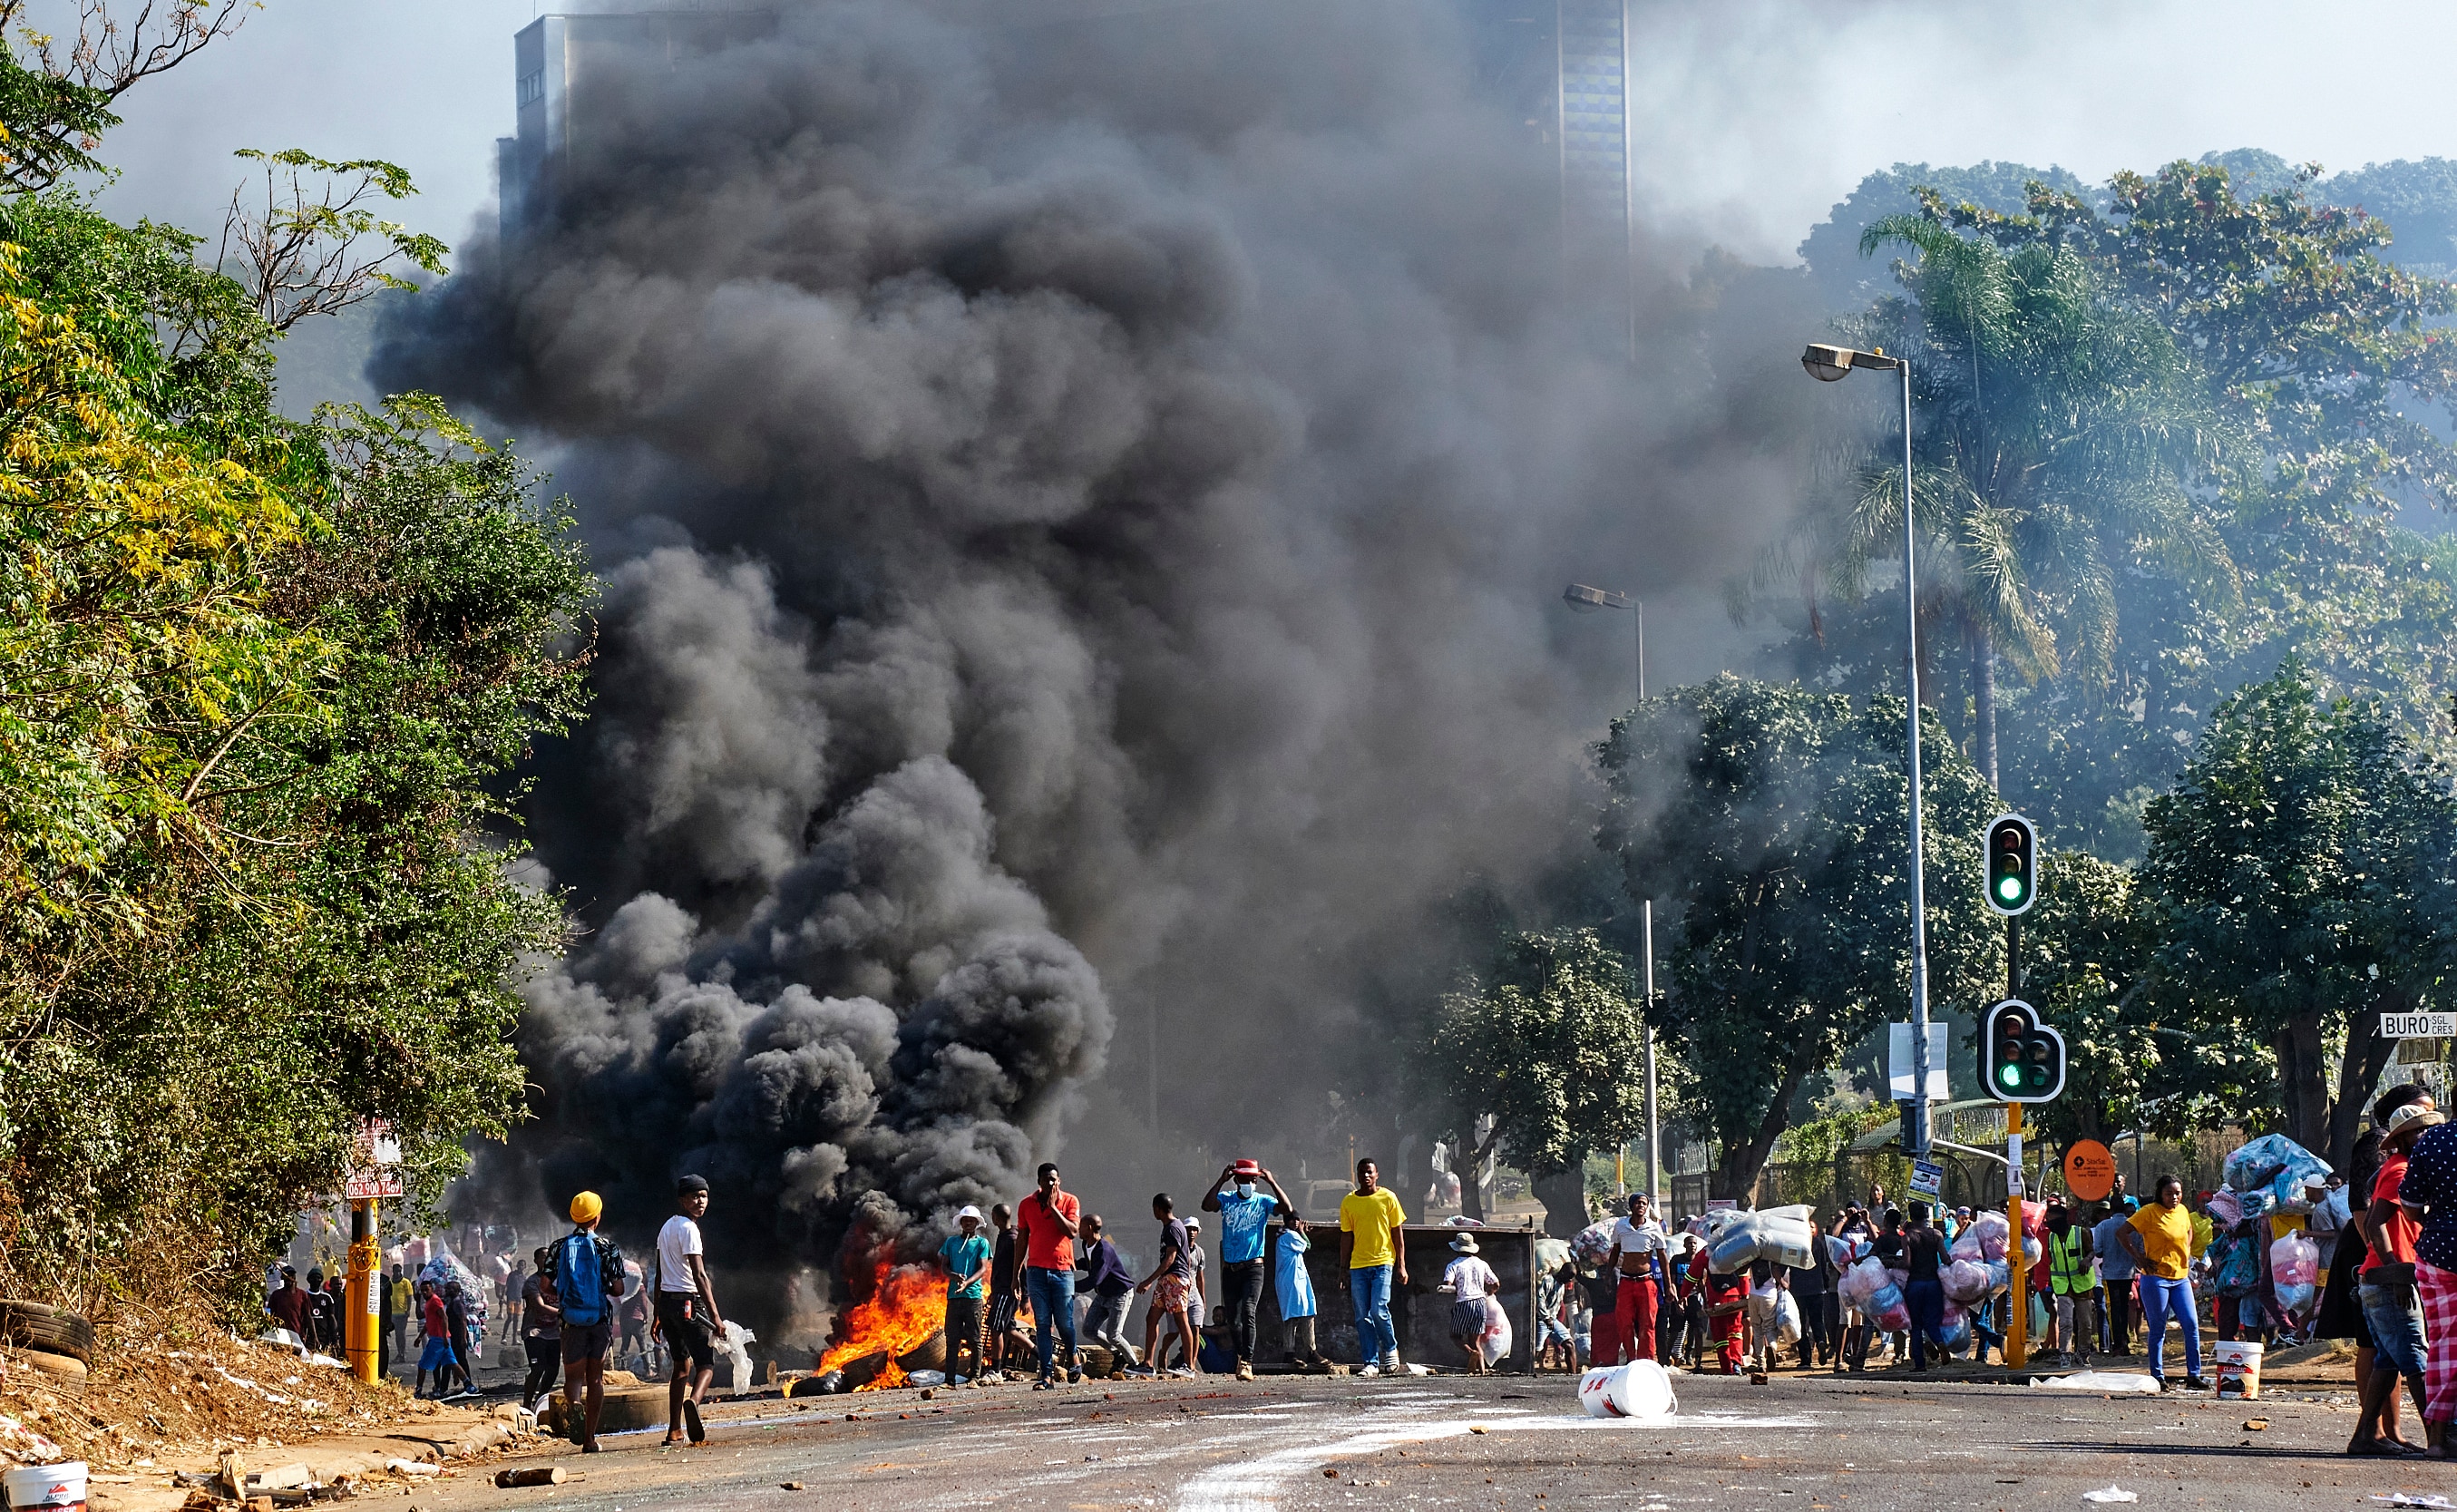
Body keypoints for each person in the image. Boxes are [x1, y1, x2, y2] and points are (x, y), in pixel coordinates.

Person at [2353, 1100, 2442, 1457]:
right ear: (2402, 1138)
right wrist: (2393, 1269)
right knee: (2416, 1362)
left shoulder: (2401, 1167)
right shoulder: (2401, 1170)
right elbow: (2375, 1223)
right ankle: (2440, 1437)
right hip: (2390, 1280)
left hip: (2383, 1278)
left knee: (2389, 1362)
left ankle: (2364, 1437)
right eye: (2419, 1131)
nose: (2425, 1136)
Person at [2399, 1096, 2457, 1457]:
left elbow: (2410, 1203)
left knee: (2444, 1346)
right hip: (2439, 1248)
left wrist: (2436, 1223)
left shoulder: (2432, 1142)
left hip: (2438, 1253)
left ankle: (2436, 1439)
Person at [1203, 1159, 1292, 1381]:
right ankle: (1241, 1353)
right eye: (1245, 1179)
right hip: (1231, 1268)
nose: (1250, 1183)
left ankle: (1247, 1361)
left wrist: (1272, 1182)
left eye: (1253, 1179)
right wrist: (1220, 1180)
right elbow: (1206, 1205)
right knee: (1232, 1319)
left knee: (1249, 1309)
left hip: (1254, 1266)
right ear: (1236, 1180)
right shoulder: (1226, 1199)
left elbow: (1287, 1209)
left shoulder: (1263, 1201)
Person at [2119, 1175, 2208, 1392]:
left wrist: (2186, 1250)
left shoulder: (2183, 1211)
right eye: (2169, 1193)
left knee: (2191, 1324)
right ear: (2160, 1194)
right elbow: (2122, 1233)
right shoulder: (2149, 1212)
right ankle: (2157, 1376)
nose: (2174, 1197)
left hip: (2180, 1278)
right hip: (2156, 1278)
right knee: (2158, 1328)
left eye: (2177, 1193)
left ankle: (2193, 1375)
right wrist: (2138, 1257)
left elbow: (2189, 1230)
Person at [554, 1191, 626, 1452]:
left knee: (573, 1377)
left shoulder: (559, 1247)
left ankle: (574, 1406)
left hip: (570, 1320)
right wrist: (600, 1287)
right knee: (595, 1379)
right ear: (597, 1216)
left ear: (574, 1217)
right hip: (599, 1319)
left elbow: (544, 1285)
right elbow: (618, 1289)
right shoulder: (608, 1247)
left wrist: (566, 1294)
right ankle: (589, 1439)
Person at [655, 1175, 724, 1443]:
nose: (700, 1202)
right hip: (688, 1303)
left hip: (668, 1304)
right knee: (706, 1364)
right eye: (694, 1197)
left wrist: (657, 1314)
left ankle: (674, 1431)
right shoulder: (689, 1230)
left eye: (704, 1196)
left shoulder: (666, 1228)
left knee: (680, 1367)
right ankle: (693, 1402)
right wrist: (716, 1317)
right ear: (682, 1200)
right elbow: (700, 1275)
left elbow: (660, 1275)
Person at [1014, 1162, 1085, 1389]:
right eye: (1047, 1179)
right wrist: (1016, 1273)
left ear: (1059, 1180)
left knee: (1064, 1322)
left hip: (1062, 1271)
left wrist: (1053, 1207)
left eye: (1054, 1179)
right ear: (1039, 1182)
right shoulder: (1026, 1205)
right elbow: (1022, 1240)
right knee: (1042, 1324)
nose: (1051, 1183)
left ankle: (1073, 1355)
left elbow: (1072, 1232)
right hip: (1036, 1272)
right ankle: (1046, 1375)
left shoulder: (1070, 1201)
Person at [1340, 1158, 1409, 1377]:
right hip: (1358, 1265)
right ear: (1357, 1175)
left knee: (1378, 1309)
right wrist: (1343, 1269)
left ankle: (1390, 1348)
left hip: (1383, 1263)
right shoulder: (1349, 1202)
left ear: (1377, 1174)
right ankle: (1370, 1362)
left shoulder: (1388, 1198)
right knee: (1362, 1316)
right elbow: (1346, 1237)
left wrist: (1401, 1265)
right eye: (1361, 1173)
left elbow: (1398, 1234)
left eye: (1369, 1172)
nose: (1366, 1176)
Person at [1134, 1193, 1201, 1378]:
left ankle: (1189, 1366)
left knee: (1182, 1320)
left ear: (1157, 1209)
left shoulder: (1173, 1228)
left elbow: (1171, 1258)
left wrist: (1149, 1281)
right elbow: (1185, 1256)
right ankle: (1148, 1363)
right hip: (1167, 1279)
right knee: (1151, 1318)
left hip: (1174, 1279)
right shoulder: (1172, 1226)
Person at [1076, 1213, 1138, 1376]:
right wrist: (1073, 1264)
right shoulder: (1086, 1244)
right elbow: (1089, 1263)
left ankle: (1135, 1364)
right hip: (1104, 1294)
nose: (1078, 1229)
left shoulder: (1104, 1249)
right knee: (1089, 1329)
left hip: (1120, 1294)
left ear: (1089, 1228)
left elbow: (1095, 1279)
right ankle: (1118, 1355)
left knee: (1114, 1334)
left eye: (1081, 1226)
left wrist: (1070, 1286)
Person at [1608, 1194, 1668, 1363]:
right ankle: (1631, 1357)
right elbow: (1615, 1251)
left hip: (1646, 1282)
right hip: (1626, 1281)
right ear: (1631, 1206)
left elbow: (1662, 1256)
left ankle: (1646, 1361)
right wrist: (1607, 1275)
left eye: (1644, 1203)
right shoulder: (1621, 1226)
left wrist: (1669, 1285)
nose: (1641, 1206)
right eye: (1638, 1203)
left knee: (1648, 1324)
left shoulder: (1654, 1227)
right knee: (1624, 1322)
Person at [939, 1205, 994, 1384]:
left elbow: (983, 1268)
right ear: (961, 1222)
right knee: (952, 1339)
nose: (968, 1223)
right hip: (954, 1298)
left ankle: (974, 1378)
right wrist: (953, 1276)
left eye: (972, 1220)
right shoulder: (951, 1242)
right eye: (966, 1220)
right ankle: (950, 1380)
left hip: (973, 1297)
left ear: (977, 1223)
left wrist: (967, 1282)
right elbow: (944, 1266)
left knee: (974, 1338)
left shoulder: (982, 1243)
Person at [1440, 1234, 1506, 1374]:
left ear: (1457, 1249)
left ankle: (1471, 1353)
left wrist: (1451, 1289)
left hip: (1464, 1303)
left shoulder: (1453, 1265)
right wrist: (1488, 1293)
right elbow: (1495, 1283)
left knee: (1455, 1336)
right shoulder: (1482, 1263)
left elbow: (1448, 1284)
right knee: (1476, 1341)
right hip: (1481, 1304)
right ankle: (1482, 1371)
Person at [1276, 1210, 1330, 1371]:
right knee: (1298, 1315)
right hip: (1291, 1281)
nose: (1295, 1222)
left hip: (1295, 1280)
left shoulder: (1285, 1236)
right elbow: (1307, 1245)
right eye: (1291, 1220)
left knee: (1298, 1314)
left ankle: (1296, 1352)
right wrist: (1302, 1232)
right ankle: (1305, 1352)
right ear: (1286, 1222)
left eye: (1297, 1220)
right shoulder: (1288, 1236)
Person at [1900, 1202, 1948, 1372]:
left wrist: (1891, 1262)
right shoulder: (1936, 1234)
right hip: (1933, 1283)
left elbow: (1906, 1263)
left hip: (1915, 1284)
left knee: (1916, 1325)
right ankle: (1940, 1342)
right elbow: (1945, 1258)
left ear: (1911, 1217)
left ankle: (1919, 1364)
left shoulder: (1908, 1237)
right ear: (1926, 1216)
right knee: (1932, 1321)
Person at [2045, 1198, 2093, 1366]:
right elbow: (2051, 1259)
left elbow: (2092, 1251)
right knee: (2065, 1322)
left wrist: (2087, 1260)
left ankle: (2083, 1354)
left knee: (2086, 1324)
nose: (2048, 1223)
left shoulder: (2081, 1233)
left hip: (2082, 1285)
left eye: (2051, 1219)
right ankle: (2065, 1354)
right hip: (2062, 1286)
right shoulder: (2051, 1238)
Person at [2091, 1197, 2140, 1356]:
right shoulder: (2133, 1226)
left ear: (2110, 1210)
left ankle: (2117, 1343)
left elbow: (2097, 1250)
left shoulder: (2102, 1226)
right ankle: (2124, 1341)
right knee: (2125, 1307)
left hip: (2110, 1274)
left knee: (2113, 1307)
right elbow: (2140, 1249)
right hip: (2128, 1273)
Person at [520, 1245, 562, 1411]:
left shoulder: (560, 1280)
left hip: (554, 1332)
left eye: (549, 1257)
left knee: (553, 1370)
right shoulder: (532, 1282)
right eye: (543, 1257)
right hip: (535, 1330)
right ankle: (526, 1405)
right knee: (537, 1368)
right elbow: (539, 1306)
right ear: (536, 1261)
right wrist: (563, 1313)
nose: (546, 1260)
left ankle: (540, 1399)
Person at [1789, 1216, 1831, 1371]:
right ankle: (1820, 1341)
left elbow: (1788, 1264)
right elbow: (1823, 1266)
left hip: (1798, 1290)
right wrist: (1825, 1284)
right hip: (1817, 1288)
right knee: (1817, 1320)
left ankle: (1806, 1359)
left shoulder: (1794, 1244)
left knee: (1800, 1324)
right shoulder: (1818, 1243)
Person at [987, 1203, 1024, 1377]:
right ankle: (1043, 1356)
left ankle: (996, 1370)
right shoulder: (1003, 1235)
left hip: (1007, 1292)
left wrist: (1025, 1297)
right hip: (1001, 1291)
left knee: (996, 1329)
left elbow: (1022, 1269)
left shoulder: (1012, 1239)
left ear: (997, 1218)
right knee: (1009, 1330)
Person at [414, 1281, 458, 1399]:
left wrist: (444, 1336)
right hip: (438, 1336)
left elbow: (446, 1318)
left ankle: (439, 1388)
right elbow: (427, 1321)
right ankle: (441, 1387)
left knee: (447, 1364)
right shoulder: (435, 1302)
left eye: (426, 1290)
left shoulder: (440, 1301)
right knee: (446, 1363)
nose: (424, 1292)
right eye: (447, 1289)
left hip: (442, 1337)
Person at [444, 1280, 477, 1399]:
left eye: (450, 1289)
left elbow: (463, 1320)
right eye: (446, 1288)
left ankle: (467, 1385)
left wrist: (463, 1338)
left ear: (457, 1291)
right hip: (453, 1335)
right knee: (454, 1360)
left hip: (458, 1335)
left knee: (458, 1360)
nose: (447, 1291)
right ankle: (465, 1384)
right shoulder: (451, 1302)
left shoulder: (457, 1303)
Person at [268, 1264, 309, 1340]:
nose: (288, 1278)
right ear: (282, 1278)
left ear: (294, 1277)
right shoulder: (276, 1295)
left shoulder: (302, 1295)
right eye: (286, 1276)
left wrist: (311, 1335)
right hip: (280, 1334)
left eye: (291, 1275)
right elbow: (272, 1315)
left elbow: (307, 1316)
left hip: (297, 1335)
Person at [304, 1268, 338, 1357]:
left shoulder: (327, 1298)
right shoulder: (304, 1296)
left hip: (324, 1337)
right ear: (309, 1280)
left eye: (319, 1278)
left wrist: (335, 1338)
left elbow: (331, 1317)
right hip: (308, 1338)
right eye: (314, 1278)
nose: (316, 1280)